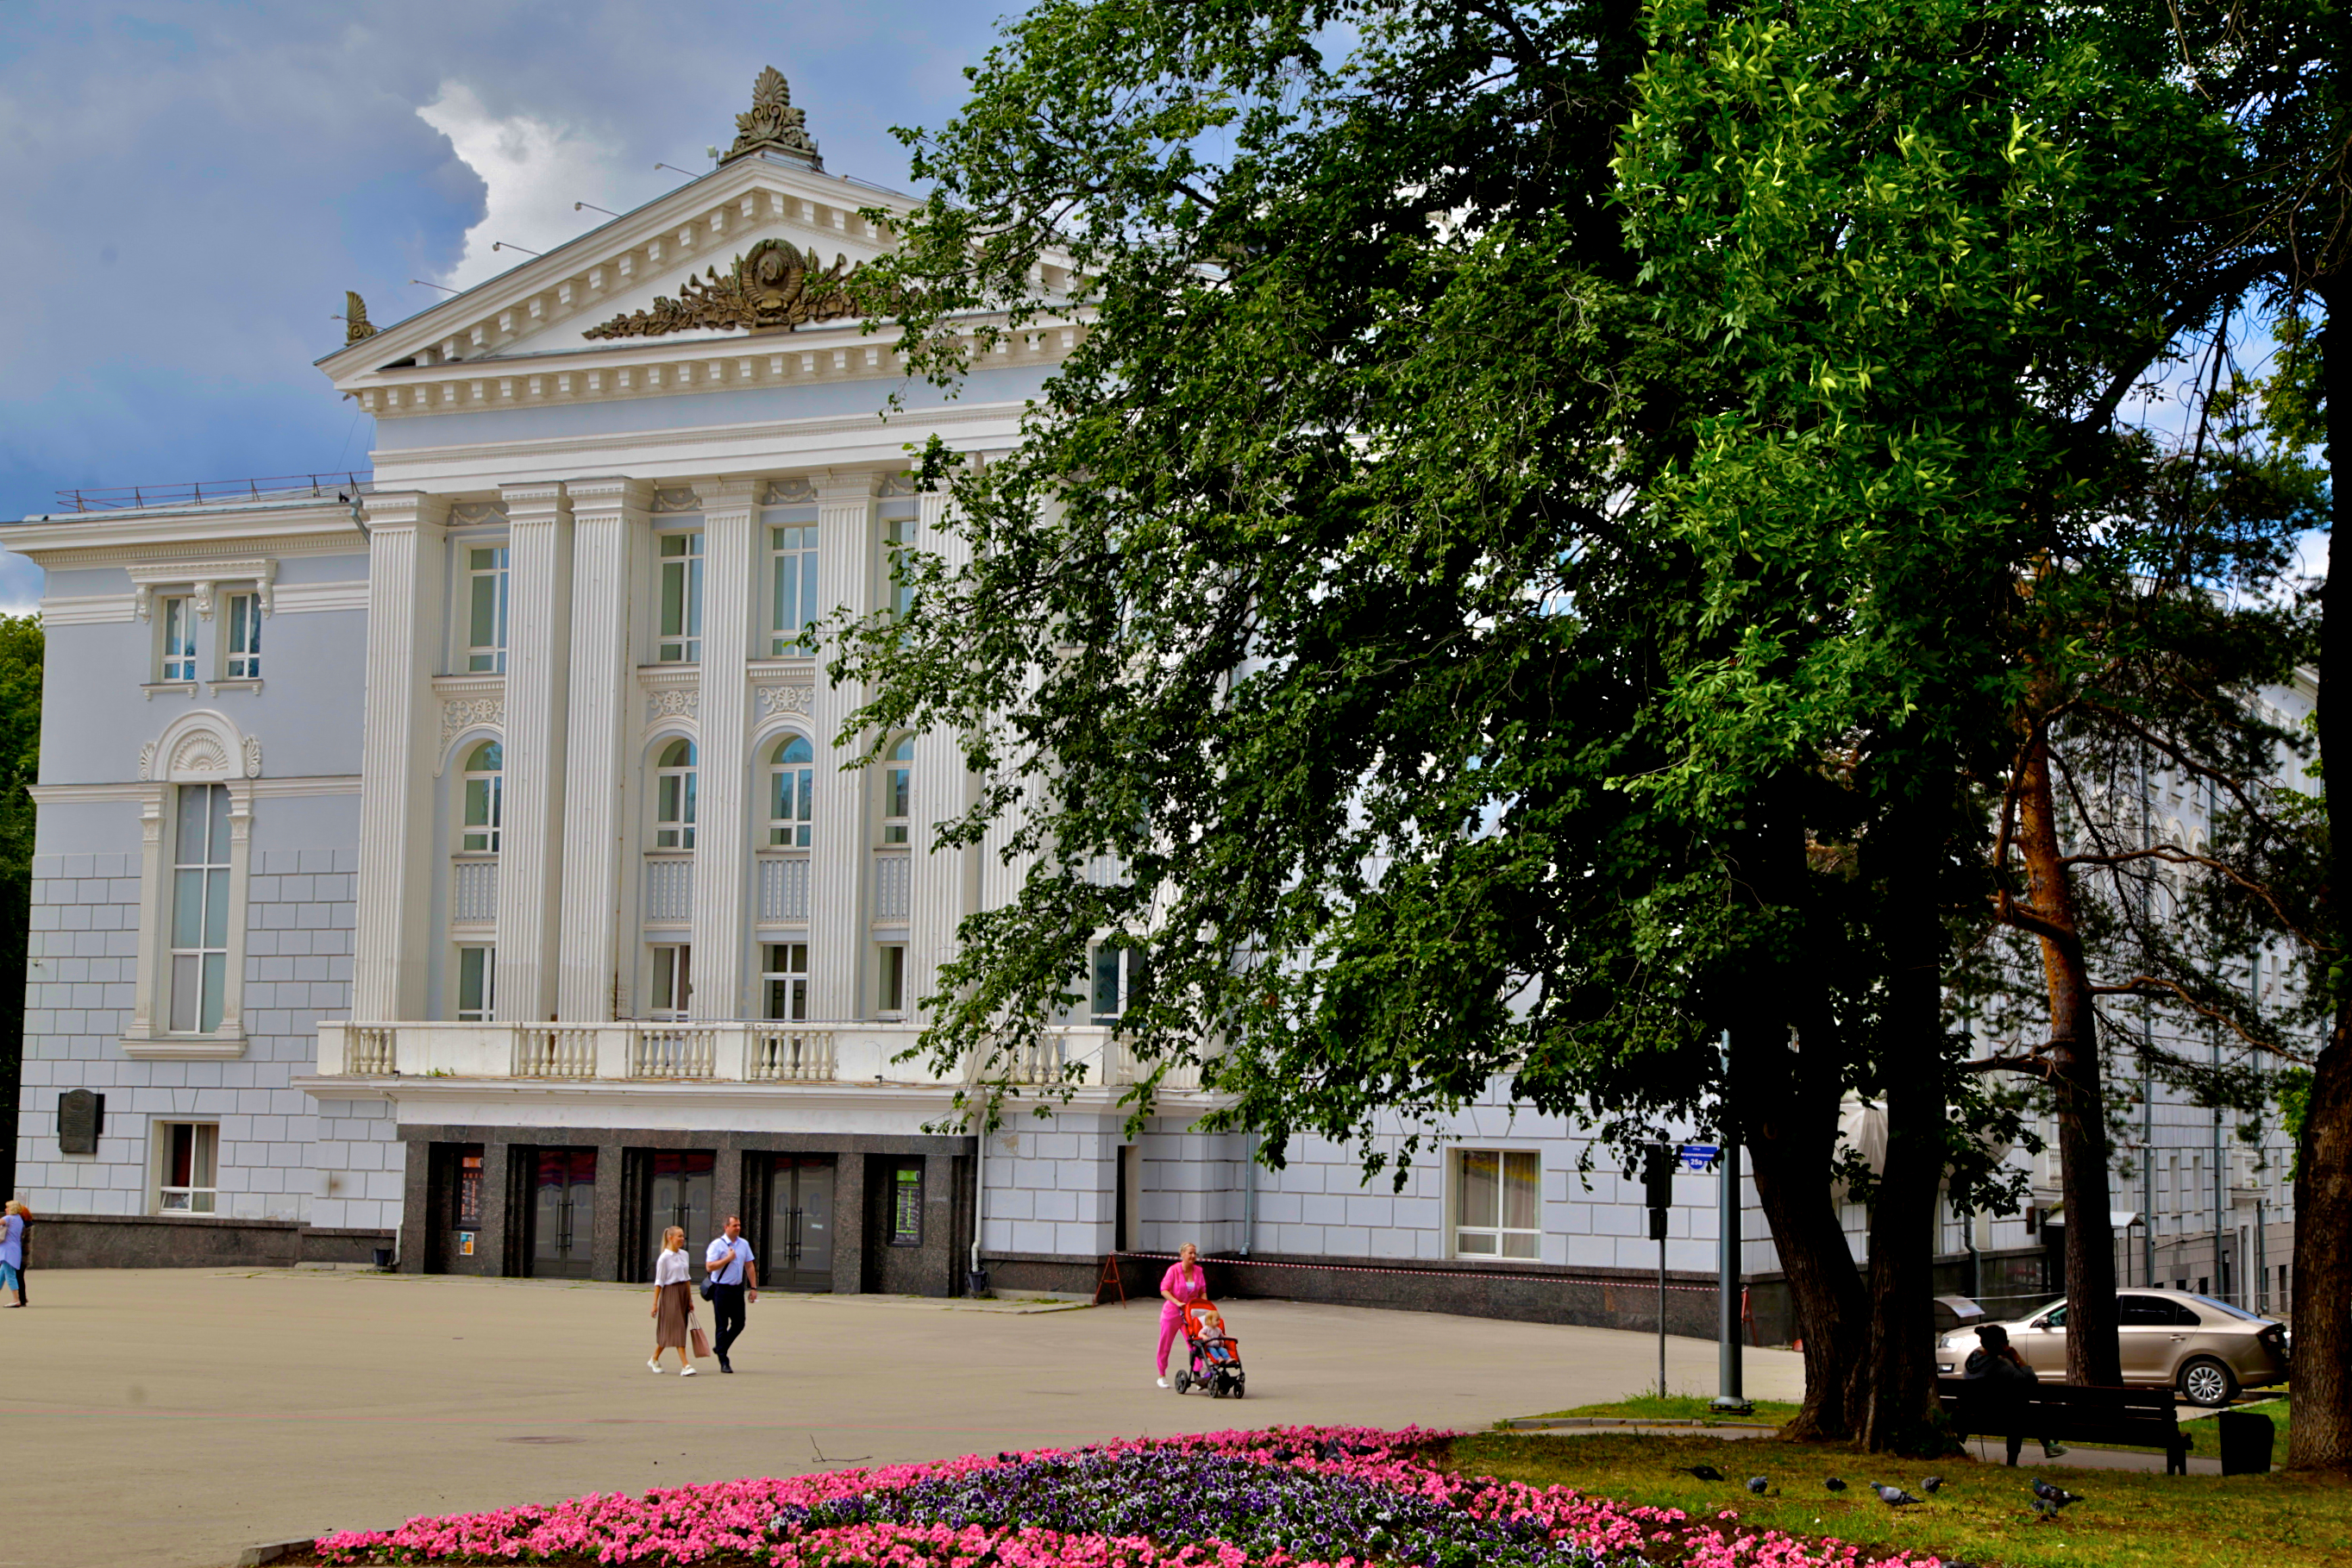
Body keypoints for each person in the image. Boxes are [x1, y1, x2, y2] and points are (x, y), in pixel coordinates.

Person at [1962, 1323, 2065, 1462]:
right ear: (2001, 1344)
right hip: (1994, 1417)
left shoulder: (1972, 1359)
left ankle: (2048, 1445)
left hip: (1971, 1414)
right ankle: (2046, 1446)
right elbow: (2030, 1379)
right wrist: (2014, 1355)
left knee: (2019, 1410)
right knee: (2020, 1412)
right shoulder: (1998, 1366)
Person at [703, 1214, 758, 1373]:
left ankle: (721, 1346)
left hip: (737, 1289)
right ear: (726, 1227)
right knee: (722, 1325)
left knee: (739, 1323)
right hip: (720, 1289)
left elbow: (749, 1266)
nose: (738, 1228)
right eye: (735, 1225)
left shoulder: (744, 1244)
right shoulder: (717, 1245)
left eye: (739, 1225)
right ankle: (724, 1360)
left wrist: (753, 1288)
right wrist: (728, 1258)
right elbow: (710, 1267)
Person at [648, 1225, 699, 1375]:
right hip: (670, 1294)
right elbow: (659, 1282)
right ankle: (686, 1365)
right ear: (670, 1238)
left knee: (676, 1328)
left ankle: (654, 1358)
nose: (682, 1239)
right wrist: (654, 1304)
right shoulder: (664, 1258)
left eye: (683, 1236)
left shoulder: (684, 1255)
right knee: (677, 1328)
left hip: (683, 1293)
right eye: (679, 1236)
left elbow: (687, 1278)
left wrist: (690, 1300)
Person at [1156, 1241, 1207, 1387]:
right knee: (1165, 1344)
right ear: (1182, 1254)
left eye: (1194, 1253)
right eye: (1190, 1253)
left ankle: (1199, 1376)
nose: (1193, 1256)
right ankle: (1161, 1374)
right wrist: (1177, 1302)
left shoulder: (1198, 1271)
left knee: (1195, 1344)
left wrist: (1205, 1306)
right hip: (1172, 1313)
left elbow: (1202, 1290)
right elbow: (1164, 1290)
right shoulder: (1173, 1270)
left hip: (1190, 1314)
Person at [1, 1201, 25, 1308]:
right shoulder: (19, 1219)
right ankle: (16, 1299)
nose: (5, 1210)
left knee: (10, 1275)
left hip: (7, 1250)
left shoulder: (8, 1218)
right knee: (1, 1274)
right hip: (15, 1249)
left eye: (7, 1208)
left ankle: (16, 1300)